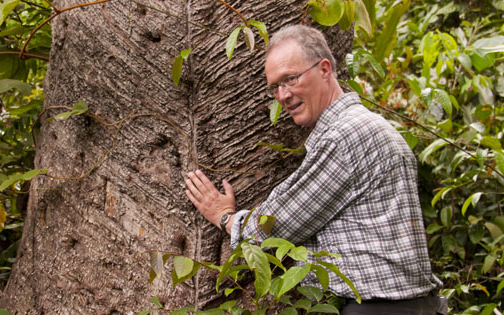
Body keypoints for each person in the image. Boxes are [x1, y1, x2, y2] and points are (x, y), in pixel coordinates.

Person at [183, 25, 445, 314]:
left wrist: (225, 217)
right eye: (275, 87)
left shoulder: (344, 137)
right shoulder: (372, 126)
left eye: (291, 79)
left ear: (324, 70)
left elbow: (274, 227)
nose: (282, 95)